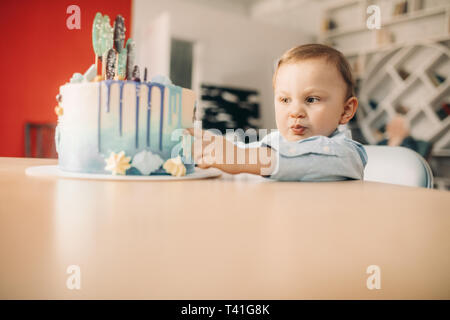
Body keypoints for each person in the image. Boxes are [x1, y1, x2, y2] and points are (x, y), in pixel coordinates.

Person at [187, 44, 368, 181]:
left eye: (311, 99)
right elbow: (244, 153)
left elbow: (308, 159)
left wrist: (240, 158)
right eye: (285, 100)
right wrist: (212, 150)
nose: (295, 112)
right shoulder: (274, 142)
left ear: (346, 110)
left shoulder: (347, 154)